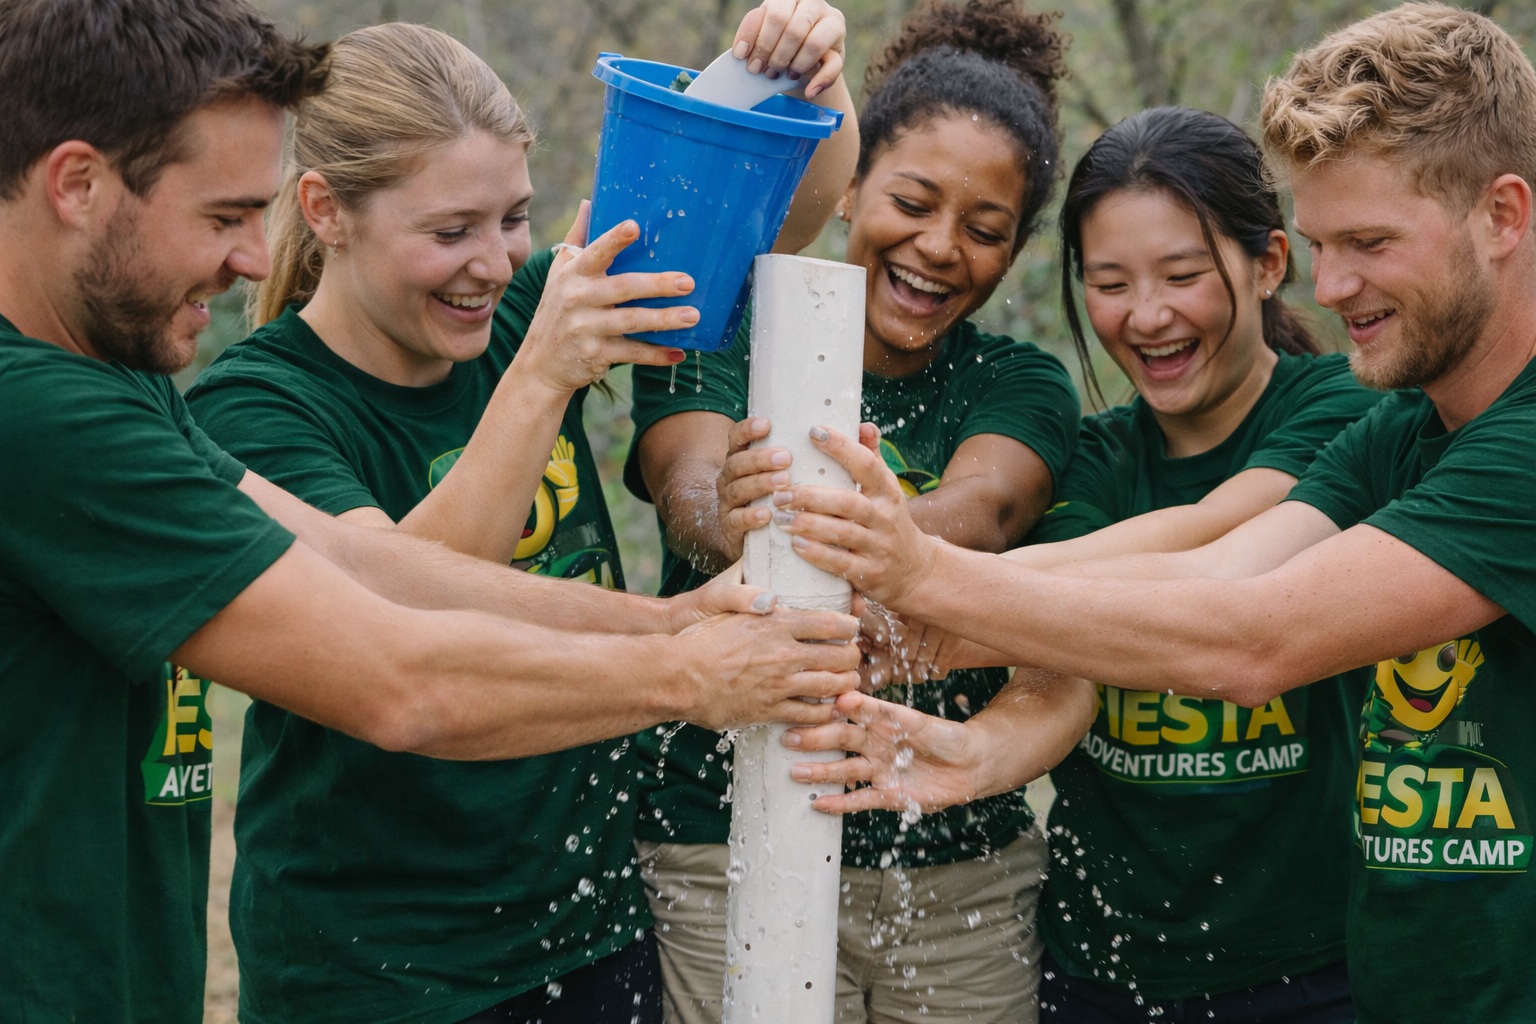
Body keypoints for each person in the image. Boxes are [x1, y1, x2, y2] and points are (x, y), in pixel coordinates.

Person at [0, 2, 859, 1021]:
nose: (245, 256)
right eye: (224, 215)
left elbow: (371, 573)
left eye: (508, 220)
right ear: (78, 184)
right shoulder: (45, 412)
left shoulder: (108, 382)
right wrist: (689, 673)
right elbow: (395, 680)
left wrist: (679, 621)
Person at [775, 4, 1536, 1022]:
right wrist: (913, 629)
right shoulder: (1404, 427)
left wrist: (922, 574)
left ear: (1504, 215)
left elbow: (1259, 638)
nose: (1335, 285)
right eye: (1323, 243)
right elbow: (1216, 571)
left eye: (1369, 242)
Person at [809, 106, 1388, 1021]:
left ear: (1269, 263)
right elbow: (1059, 667)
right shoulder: (1093, 455)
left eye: (1183, 275)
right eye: (1109, 283)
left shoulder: (1345, 407)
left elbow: (1214, 535)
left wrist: (925, 579)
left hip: (1310, 967)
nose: (1146, 316)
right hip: (1098, 972)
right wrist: (976, 751)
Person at [624, 2, 1084, 1019]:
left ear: (1013, 254)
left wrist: (864, 528)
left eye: (985, 229)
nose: (938, 247)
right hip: (719, 837)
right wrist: (733, 509)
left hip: (959, 861)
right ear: (849, 189)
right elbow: (690, 493)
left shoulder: (1024, 382)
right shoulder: (720, 331)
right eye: (912, 201)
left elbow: (989, 505)